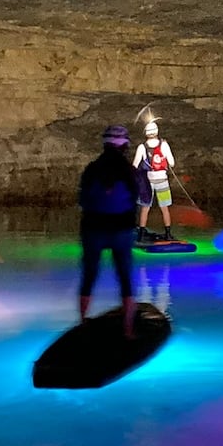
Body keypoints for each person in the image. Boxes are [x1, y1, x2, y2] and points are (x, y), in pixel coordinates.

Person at [79, 125, 139, 337]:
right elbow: (135, 199)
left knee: (89, 276)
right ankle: (129, 329)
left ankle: (83, 322)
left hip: (93, 229)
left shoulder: (92, 168)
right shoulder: (129, 171)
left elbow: (83, 200)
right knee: (125, 277)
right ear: (124, 146)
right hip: (121, 230)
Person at [133, 120, 176, 242]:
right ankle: (168, 234)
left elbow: (135, 165)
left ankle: (141, 235)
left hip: (147, 181)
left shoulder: (142, 147)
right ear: (157, 132)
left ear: (146, 133)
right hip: (162, 179)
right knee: (165, 208)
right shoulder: (164, 145)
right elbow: (172, 163)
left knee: (145, 208)